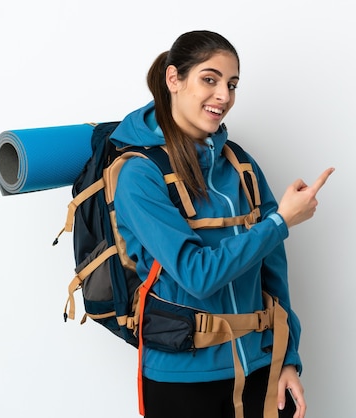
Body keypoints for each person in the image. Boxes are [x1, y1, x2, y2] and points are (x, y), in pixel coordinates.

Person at [110, 30, 334, 418]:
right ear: (174, 79)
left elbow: (273, 271)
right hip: (183, 381)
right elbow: (197, 275)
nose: (224, 96)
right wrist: (280, 221)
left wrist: (287, 358)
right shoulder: (139, 175)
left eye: (231, 85)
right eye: (209, 80)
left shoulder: (240, 164)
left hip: (261, 368)